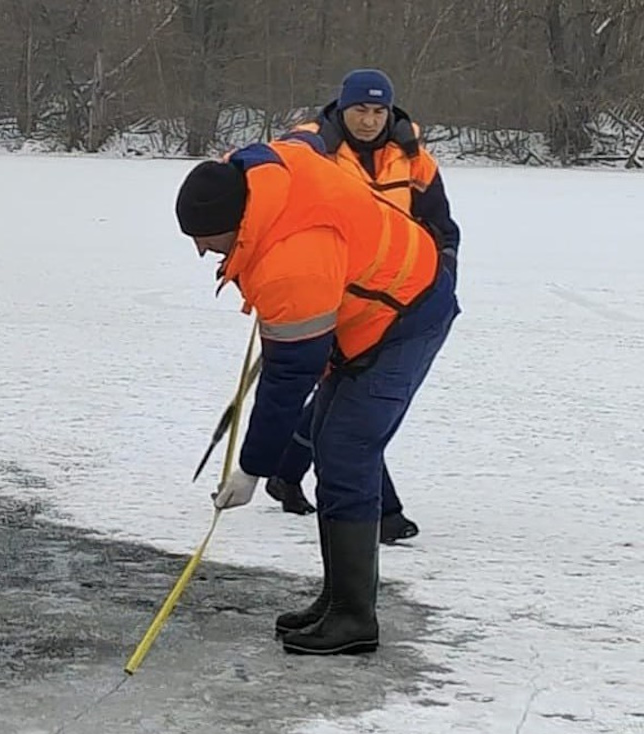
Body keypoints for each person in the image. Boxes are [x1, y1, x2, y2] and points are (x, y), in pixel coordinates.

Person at [174, 134, 459, 656]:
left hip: (406, 316)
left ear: (237, 222)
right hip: (372, 299)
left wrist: (252, 469)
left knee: (346, 451)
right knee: (331, 445)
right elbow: (304, 138)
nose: (199, 251)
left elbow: (290, 377)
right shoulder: (261, 170)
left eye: (206, 238)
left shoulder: (294, 261)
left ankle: (354, 619)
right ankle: (338, 599)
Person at [264, 68, 461, 547]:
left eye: (378, 111)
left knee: (349, 402)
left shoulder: (414, 160)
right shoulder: (318, 152)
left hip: (400, 297)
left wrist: (444, 272)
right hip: (333, 293)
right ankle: (381, 512)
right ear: (341, 108)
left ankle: (288, 471)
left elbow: (442, 227)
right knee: (353, 407)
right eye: (360, 110)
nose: (370, 120)